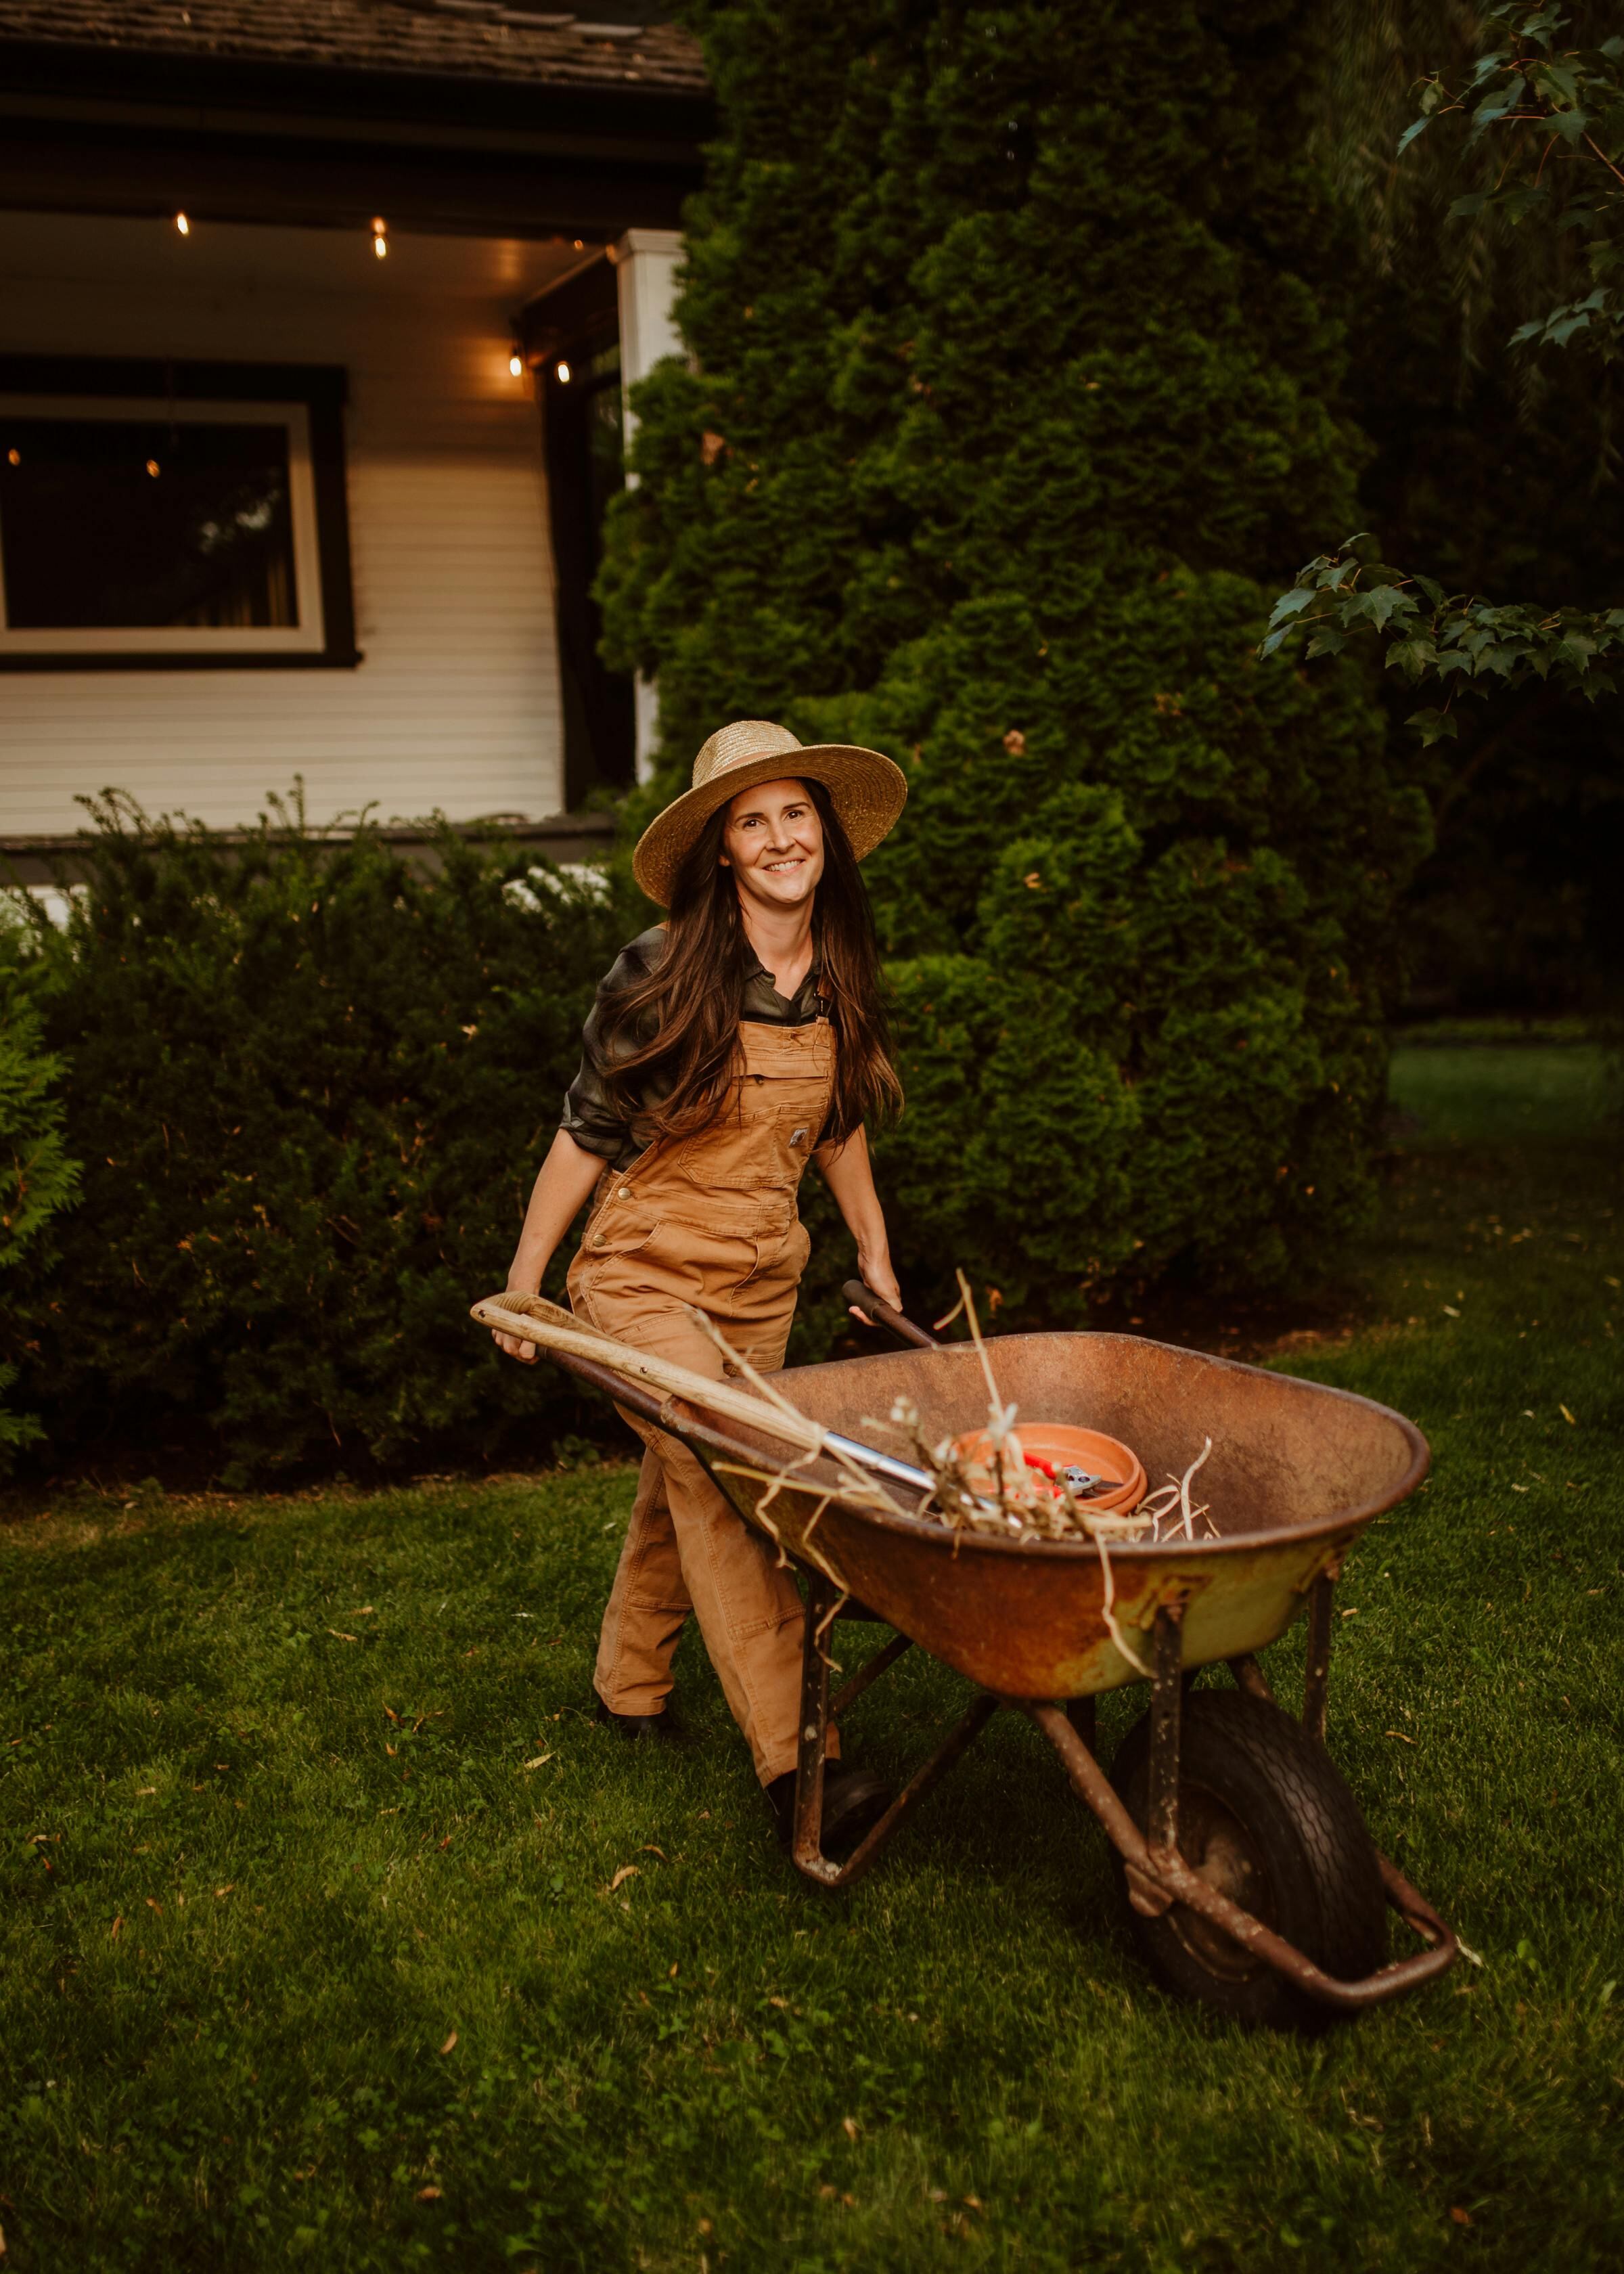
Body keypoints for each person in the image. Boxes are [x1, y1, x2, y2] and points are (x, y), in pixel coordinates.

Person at [493, 718, 909, 1855]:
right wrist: (528, 1283)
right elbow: (585, 1135)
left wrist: (870, 1244)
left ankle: (628, 1687)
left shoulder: (835, 967)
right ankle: (799, 1767)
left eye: (795, 813)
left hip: (760, 1284)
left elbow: (835, 1127)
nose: (780, 838)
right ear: (722, 850)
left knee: (684, 1477)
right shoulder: (662, 967)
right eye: (752, 820)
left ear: (823, 831)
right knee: (732, 1486)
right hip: (640, 1271)